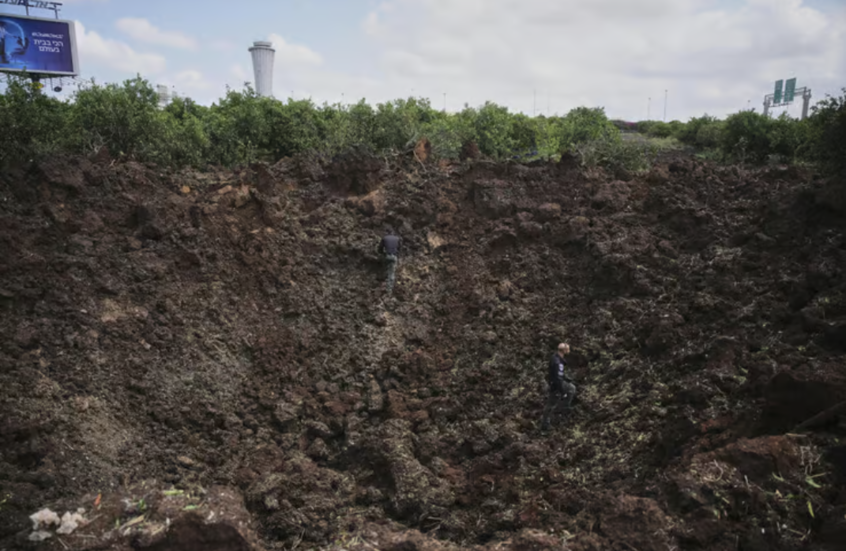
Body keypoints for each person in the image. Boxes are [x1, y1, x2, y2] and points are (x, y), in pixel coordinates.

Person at [541, 342, 577, 432]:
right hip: (556, 385)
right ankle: (545, 425)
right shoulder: (558, 362)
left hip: (555, 382)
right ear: (564, 350)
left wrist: (566, 378)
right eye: (568, 349)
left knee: (571, 388)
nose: (569, 350)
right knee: (551, 404)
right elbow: (557, 378)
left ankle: (563, 408)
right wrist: (562, 391)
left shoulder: (556, 358)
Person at [377, 229, 401, 294]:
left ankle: (382, 279)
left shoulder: (385, 238)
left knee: (385, 266)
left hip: (387, 256)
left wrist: (382, 254)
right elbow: (399, 248)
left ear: (387, 233)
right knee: (391, 273)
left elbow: (380, 249)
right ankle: (389, 290)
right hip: (394, 256)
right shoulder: (397, 238)